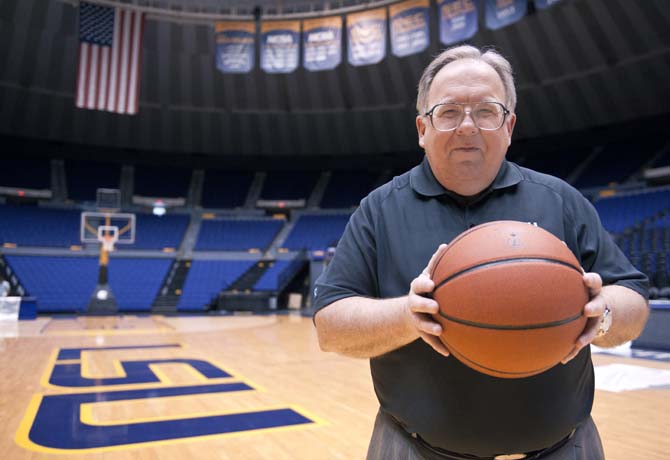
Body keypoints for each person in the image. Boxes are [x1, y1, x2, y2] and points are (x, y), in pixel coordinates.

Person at [313, 45, 649, 460]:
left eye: (486, 111)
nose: (467, 126)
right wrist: (409, 316)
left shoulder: (561, 200)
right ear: (422, 128)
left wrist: (603, 314)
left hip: (563, 447)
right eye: (449, 111)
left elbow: (633, 301)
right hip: (414, 447)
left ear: (509, 126)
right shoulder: (378, 210)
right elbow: (330, 327)